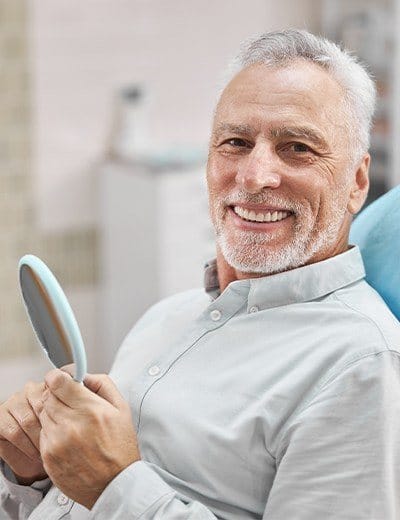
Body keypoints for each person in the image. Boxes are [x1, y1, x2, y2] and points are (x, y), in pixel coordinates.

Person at [1, 28, 400, 520]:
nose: (254, 177)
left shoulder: (360, 365)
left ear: (358, 181)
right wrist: (35, 477)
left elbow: (111, 492)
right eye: (235, 142)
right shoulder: (166, 317)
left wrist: (115, 485)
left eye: (297, 148)